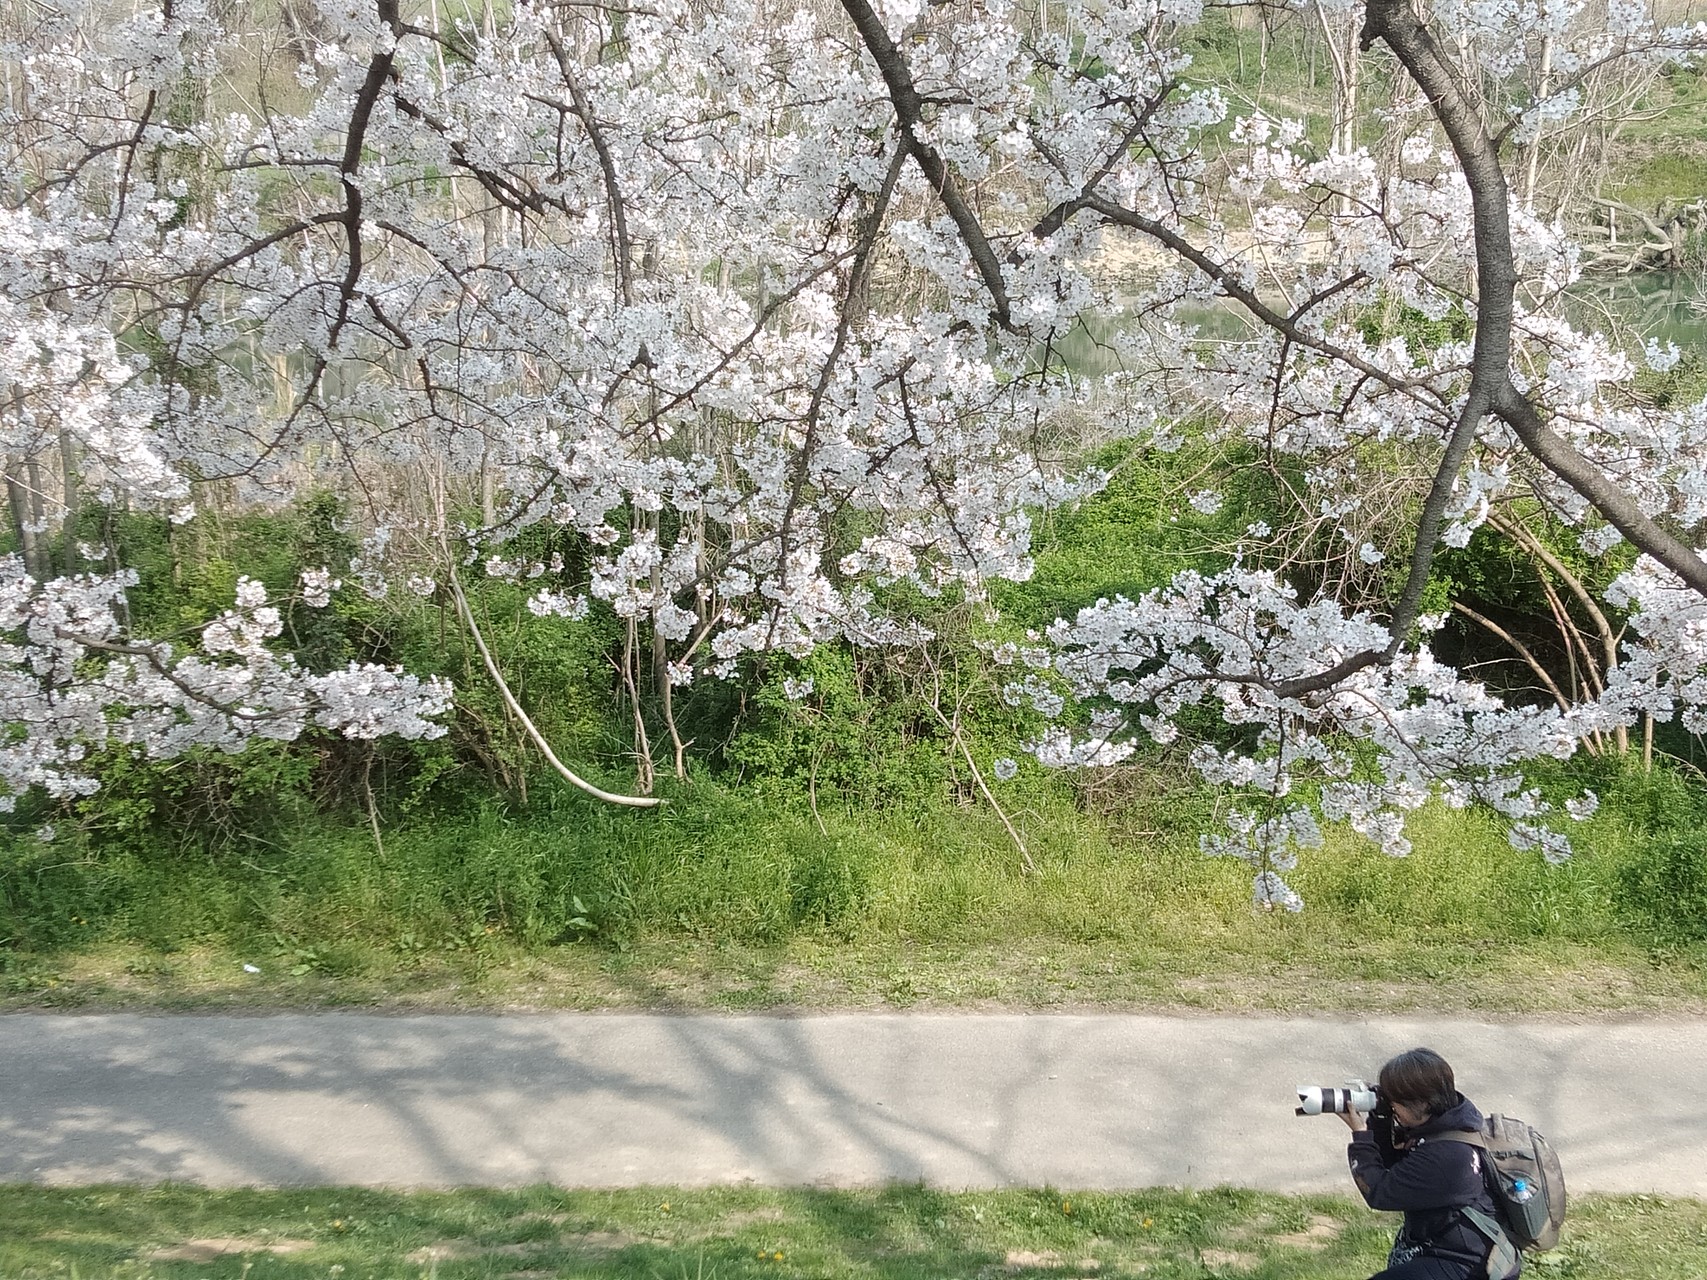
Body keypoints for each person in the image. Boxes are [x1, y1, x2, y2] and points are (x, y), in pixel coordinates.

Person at [1339, 1047, 1520, 1280]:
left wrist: (1361, 1136)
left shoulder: (1447, 1155)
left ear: (1421, 1103)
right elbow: (1395, 1168)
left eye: (1395, 1104)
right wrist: (1381, 1118)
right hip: (1452, 1248)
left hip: (1467, 1263)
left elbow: (1380, 1192)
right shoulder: (1448, 1123)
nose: (1393, 1109)